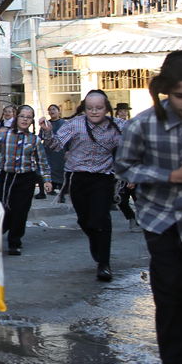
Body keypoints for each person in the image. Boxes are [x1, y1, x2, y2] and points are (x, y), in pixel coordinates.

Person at [115, 50, 182, 364]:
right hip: (162, 221)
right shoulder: (142, 125)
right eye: (181, 96)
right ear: (165, 91)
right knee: (171, 293)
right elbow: (124, 169)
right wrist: (170, 175)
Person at [43, 89, 125, 282]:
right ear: (84, 108)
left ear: (106, 108)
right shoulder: (74, 124)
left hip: (103, 178)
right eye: (90, 108)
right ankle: (95, 241)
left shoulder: (118, 125)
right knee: (85, 220)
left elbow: (134, 141)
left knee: (101, 219)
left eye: (98, 108)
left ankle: (104, 264)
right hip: (78, 178)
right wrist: (47, 133)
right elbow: (56, 145)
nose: (94, 112)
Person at [0, 105, 52, 255]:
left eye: (28, 117)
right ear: (16, 117)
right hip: (7, 178)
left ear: (32, 121)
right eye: (22, 116)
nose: (25, 119)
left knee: (21, 210)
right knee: (4, 209)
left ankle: (14, 242)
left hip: (26, 179)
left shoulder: (34, 140)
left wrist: (47, 180)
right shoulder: (5, 136)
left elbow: (42, 161)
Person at [43, 104, 67, 200]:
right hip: (49, 151)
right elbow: (42, 136)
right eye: (49, 110)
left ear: (58, 111)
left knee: (61, 170)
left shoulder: (64, 123)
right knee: (50, 169)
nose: (51, 111)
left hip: (61, 151)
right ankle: (50, 189)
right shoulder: (46, 124)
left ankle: (62, 193)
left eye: (54, 109)